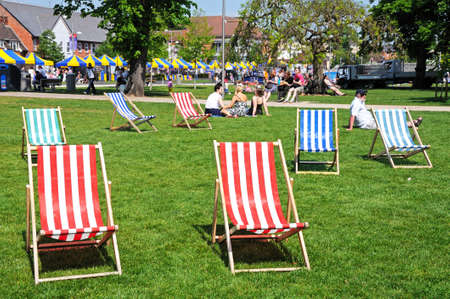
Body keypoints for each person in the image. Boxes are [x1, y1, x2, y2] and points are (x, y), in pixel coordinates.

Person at [347, 89, 423, 131]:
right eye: (364, 95)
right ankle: (413, 123)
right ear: (359, 95)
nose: (365, 96)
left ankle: (413, 123)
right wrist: (350, 128)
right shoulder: (356, 103)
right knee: (390, 124)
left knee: (390, 121)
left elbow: (353, 115)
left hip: (371, 121)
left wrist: (350, 125)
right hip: (368, 124)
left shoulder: (359, 101)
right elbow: (352, 115)